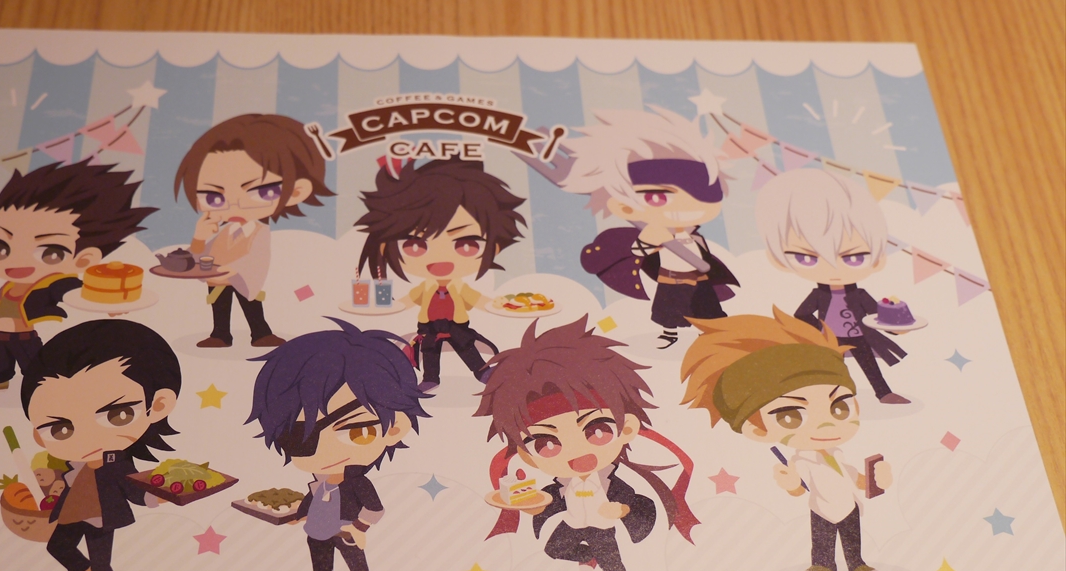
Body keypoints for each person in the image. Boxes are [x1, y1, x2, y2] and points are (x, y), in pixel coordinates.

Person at [474, 316, 699, 571]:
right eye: (546, 443)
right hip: (572, 522)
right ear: (528, 456)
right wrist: (533, 508)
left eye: (597, 430)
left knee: (611, 559)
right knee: (554, 548)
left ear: (627, 428)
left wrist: (620, 511)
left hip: (601, 527)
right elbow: (547, 503)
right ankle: (586, 556)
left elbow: (633, 503)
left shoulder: (612, 484)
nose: (576, 453)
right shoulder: (559, 485)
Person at [680, 308, 891, 571]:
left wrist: (877, 479)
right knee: (823, 538)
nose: (824, 425)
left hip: (849, 506)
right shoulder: (802, 460)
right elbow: (798, 489)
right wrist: (791, 482)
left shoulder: (837, 455)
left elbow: (856, 480)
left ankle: (857, 564)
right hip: (822, 509)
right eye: (791, 416)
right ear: (758, 429)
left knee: (852, 537)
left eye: (839, 407)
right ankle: (823, 565)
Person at [248, 318, 430, 571]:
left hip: (346, 528)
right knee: (319, 556)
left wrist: (358, 527)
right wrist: (298, 515)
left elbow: (374, 509)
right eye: (300, 439)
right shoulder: (319, 481)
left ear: (394, 428)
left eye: (357, 431)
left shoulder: (356, 482)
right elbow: (311, 501)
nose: (325, 450)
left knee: (354, 556)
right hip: (317, 530)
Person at [21, 319, 182, 571]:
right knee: (57, 546)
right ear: (39, 435)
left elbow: (131, 487)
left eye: (117, 414)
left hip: (101, 516)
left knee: (99, 555)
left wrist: (158, 495)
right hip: (72, 511)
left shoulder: (116, 462)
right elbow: (69, 481)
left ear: (157, 405)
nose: (86, 438)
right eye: (60, 429)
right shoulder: (72, 463)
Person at [558, 108, 738, 349]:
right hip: (670, 279)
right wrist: (650, 239)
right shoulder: (655, 233)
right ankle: (669, 333)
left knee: (707, 308)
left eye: (701, 195)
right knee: (668, 309)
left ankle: (711, 333)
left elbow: (703, 253)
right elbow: (639, 252)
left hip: (699, 278)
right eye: (657, 197)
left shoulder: (691, 233)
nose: (681, 209)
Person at [0, 162, 155, 391]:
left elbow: (75, 293)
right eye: (1, 247)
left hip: (23, 336)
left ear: (84, 259)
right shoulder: (9, 286)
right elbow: (2, 307)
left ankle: (44, 388)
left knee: (37, 368)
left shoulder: (52, 283)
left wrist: (109, 304)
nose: (17, 260)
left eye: (50, 252)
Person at [356, 158, 525, 391]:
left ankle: (482, 372)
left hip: (456, 325)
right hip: (429, 327)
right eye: (415, 245)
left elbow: (479, 300)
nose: (441, 257)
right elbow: (407, 301)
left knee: (466, 347)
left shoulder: (459, 286)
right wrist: (384, 306)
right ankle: (430, 378)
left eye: (466, 244)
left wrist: (505, 306)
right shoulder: (425, 287)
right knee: (430, 352)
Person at [173, 113, 334, 348]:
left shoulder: (259, 231)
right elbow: (200, 259)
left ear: (296, 191)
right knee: (220, 307)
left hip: (243, 281)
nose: (235, 204)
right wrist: (199, 237)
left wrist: (231, 272)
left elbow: (256, 260)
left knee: (251, 305)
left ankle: (260, 333)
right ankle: (220, 334)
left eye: (261, 191)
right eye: (214, 196)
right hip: (218, 282)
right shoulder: (224, 232)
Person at [756, 168, 910, 404]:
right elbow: (802, 314)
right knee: (831, 368)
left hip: (859, 335)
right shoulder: (819, 294)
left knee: (869, 364)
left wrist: (895, 327)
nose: (833, 268)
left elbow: (876, 315)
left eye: (853, 257)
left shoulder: (859, 294)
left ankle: (883, 393)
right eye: (808, 258)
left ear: (877, 259)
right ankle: (836, 398)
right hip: (830, 339)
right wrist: (820, 329)